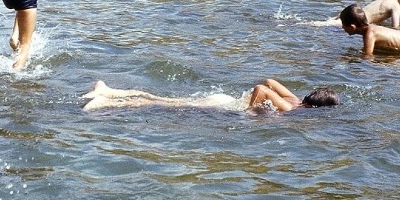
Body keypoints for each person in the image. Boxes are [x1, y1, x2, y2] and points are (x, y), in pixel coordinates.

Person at [82, 79, 340, 114]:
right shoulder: (292, 109)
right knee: (161, 102)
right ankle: (106, 100)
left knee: (165, 99)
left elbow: (270, 81)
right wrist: (249, 111)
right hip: (226, 107)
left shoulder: (295, 99)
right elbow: (263, 90)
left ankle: (109, 91)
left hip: (223, 98)